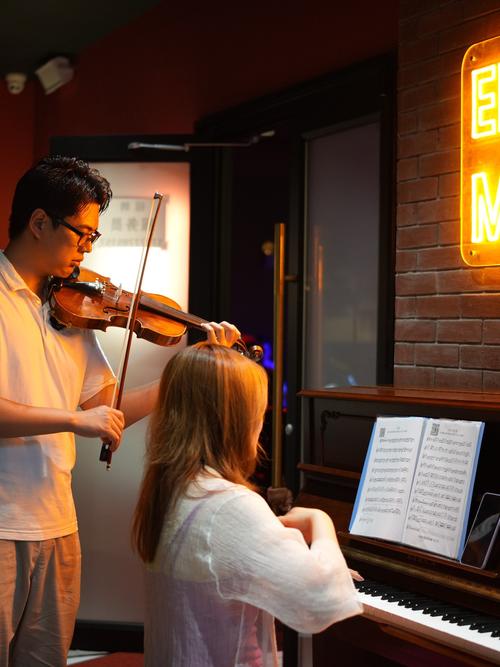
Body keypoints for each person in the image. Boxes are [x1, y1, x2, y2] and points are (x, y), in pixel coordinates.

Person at [0, 155, 240, 667]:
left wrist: (188, 366)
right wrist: (71, 420)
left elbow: (104, 409)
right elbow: (74, 417)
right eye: (82, 234)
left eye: (93, 237)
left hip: (58, 522)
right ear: (39, 222)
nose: (88, 249)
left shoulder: (67, 308)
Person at [132, 342, 363, 667]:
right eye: (258, 412)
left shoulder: (171, 486)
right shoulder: (228, 505)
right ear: (235, 420)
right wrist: (319, 520)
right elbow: (319, 596)